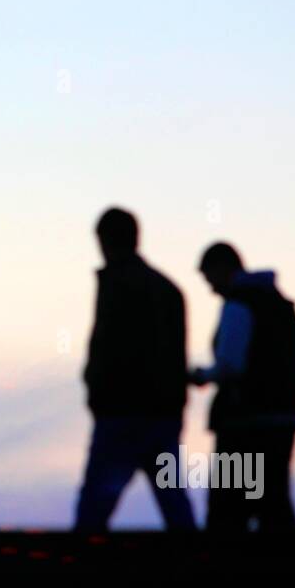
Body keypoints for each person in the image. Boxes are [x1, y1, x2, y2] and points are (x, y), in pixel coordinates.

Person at [75, 208, 196, 531]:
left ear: (104, 241)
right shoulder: (169, 290)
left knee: (94, 508)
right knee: (174, 503)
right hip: (162, 415)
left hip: (119, 414)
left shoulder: (115, 283)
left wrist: (95, 389)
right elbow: (176, 356)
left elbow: (106, 345)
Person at [190, 242, 295, 532]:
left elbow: (230, 366)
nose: (211, 288)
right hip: (283, 418)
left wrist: (201, 376)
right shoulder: (277, 303)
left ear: (223, 269)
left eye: (210, 278)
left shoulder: (238, 304)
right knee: (273, 502)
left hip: (245, 424)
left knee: (227, 508)